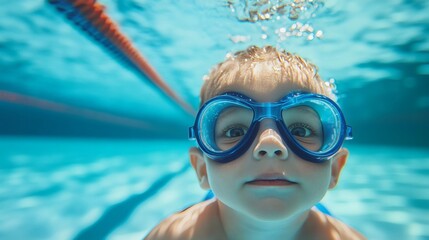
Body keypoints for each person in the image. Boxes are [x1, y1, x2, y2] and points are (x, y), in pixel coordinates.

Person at [145, 45, 365, 239]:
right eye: (235, 131)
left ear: (335, 168)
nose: (270, 144)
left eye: (300, 130)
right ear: (202, 169)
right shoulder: (175, 235)